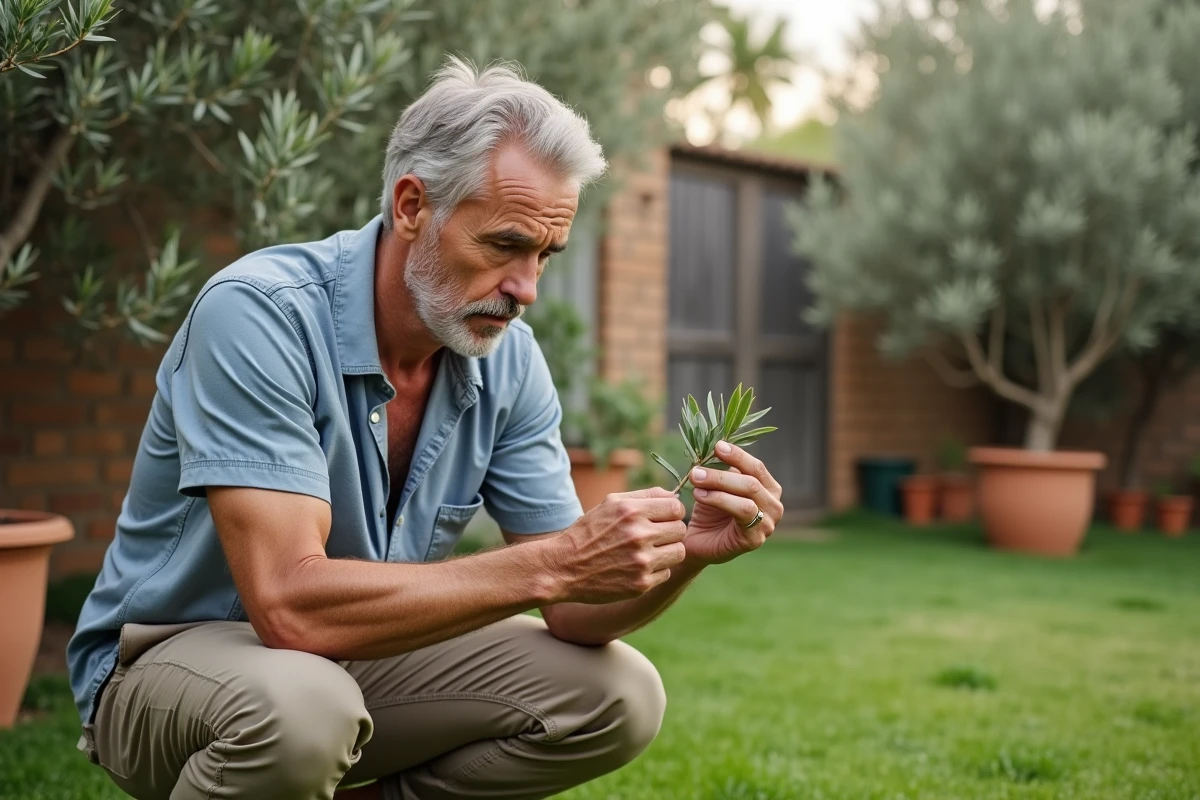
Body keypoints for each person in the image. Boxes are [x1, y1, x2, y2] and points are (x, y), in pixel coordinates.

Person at [66, 57, 784, 800]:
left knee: (617, 695)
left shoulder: (508, 361)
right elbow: (286, 603)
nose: (526, 289)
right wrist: (556, 562)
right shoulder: (260, 314)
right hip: (164, 663)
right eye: (504, 245)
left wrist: (689, 554)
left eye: (545, 255)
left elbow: (572, 609)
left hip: (349, 658)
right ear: (413, 205)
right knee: (305, 712)